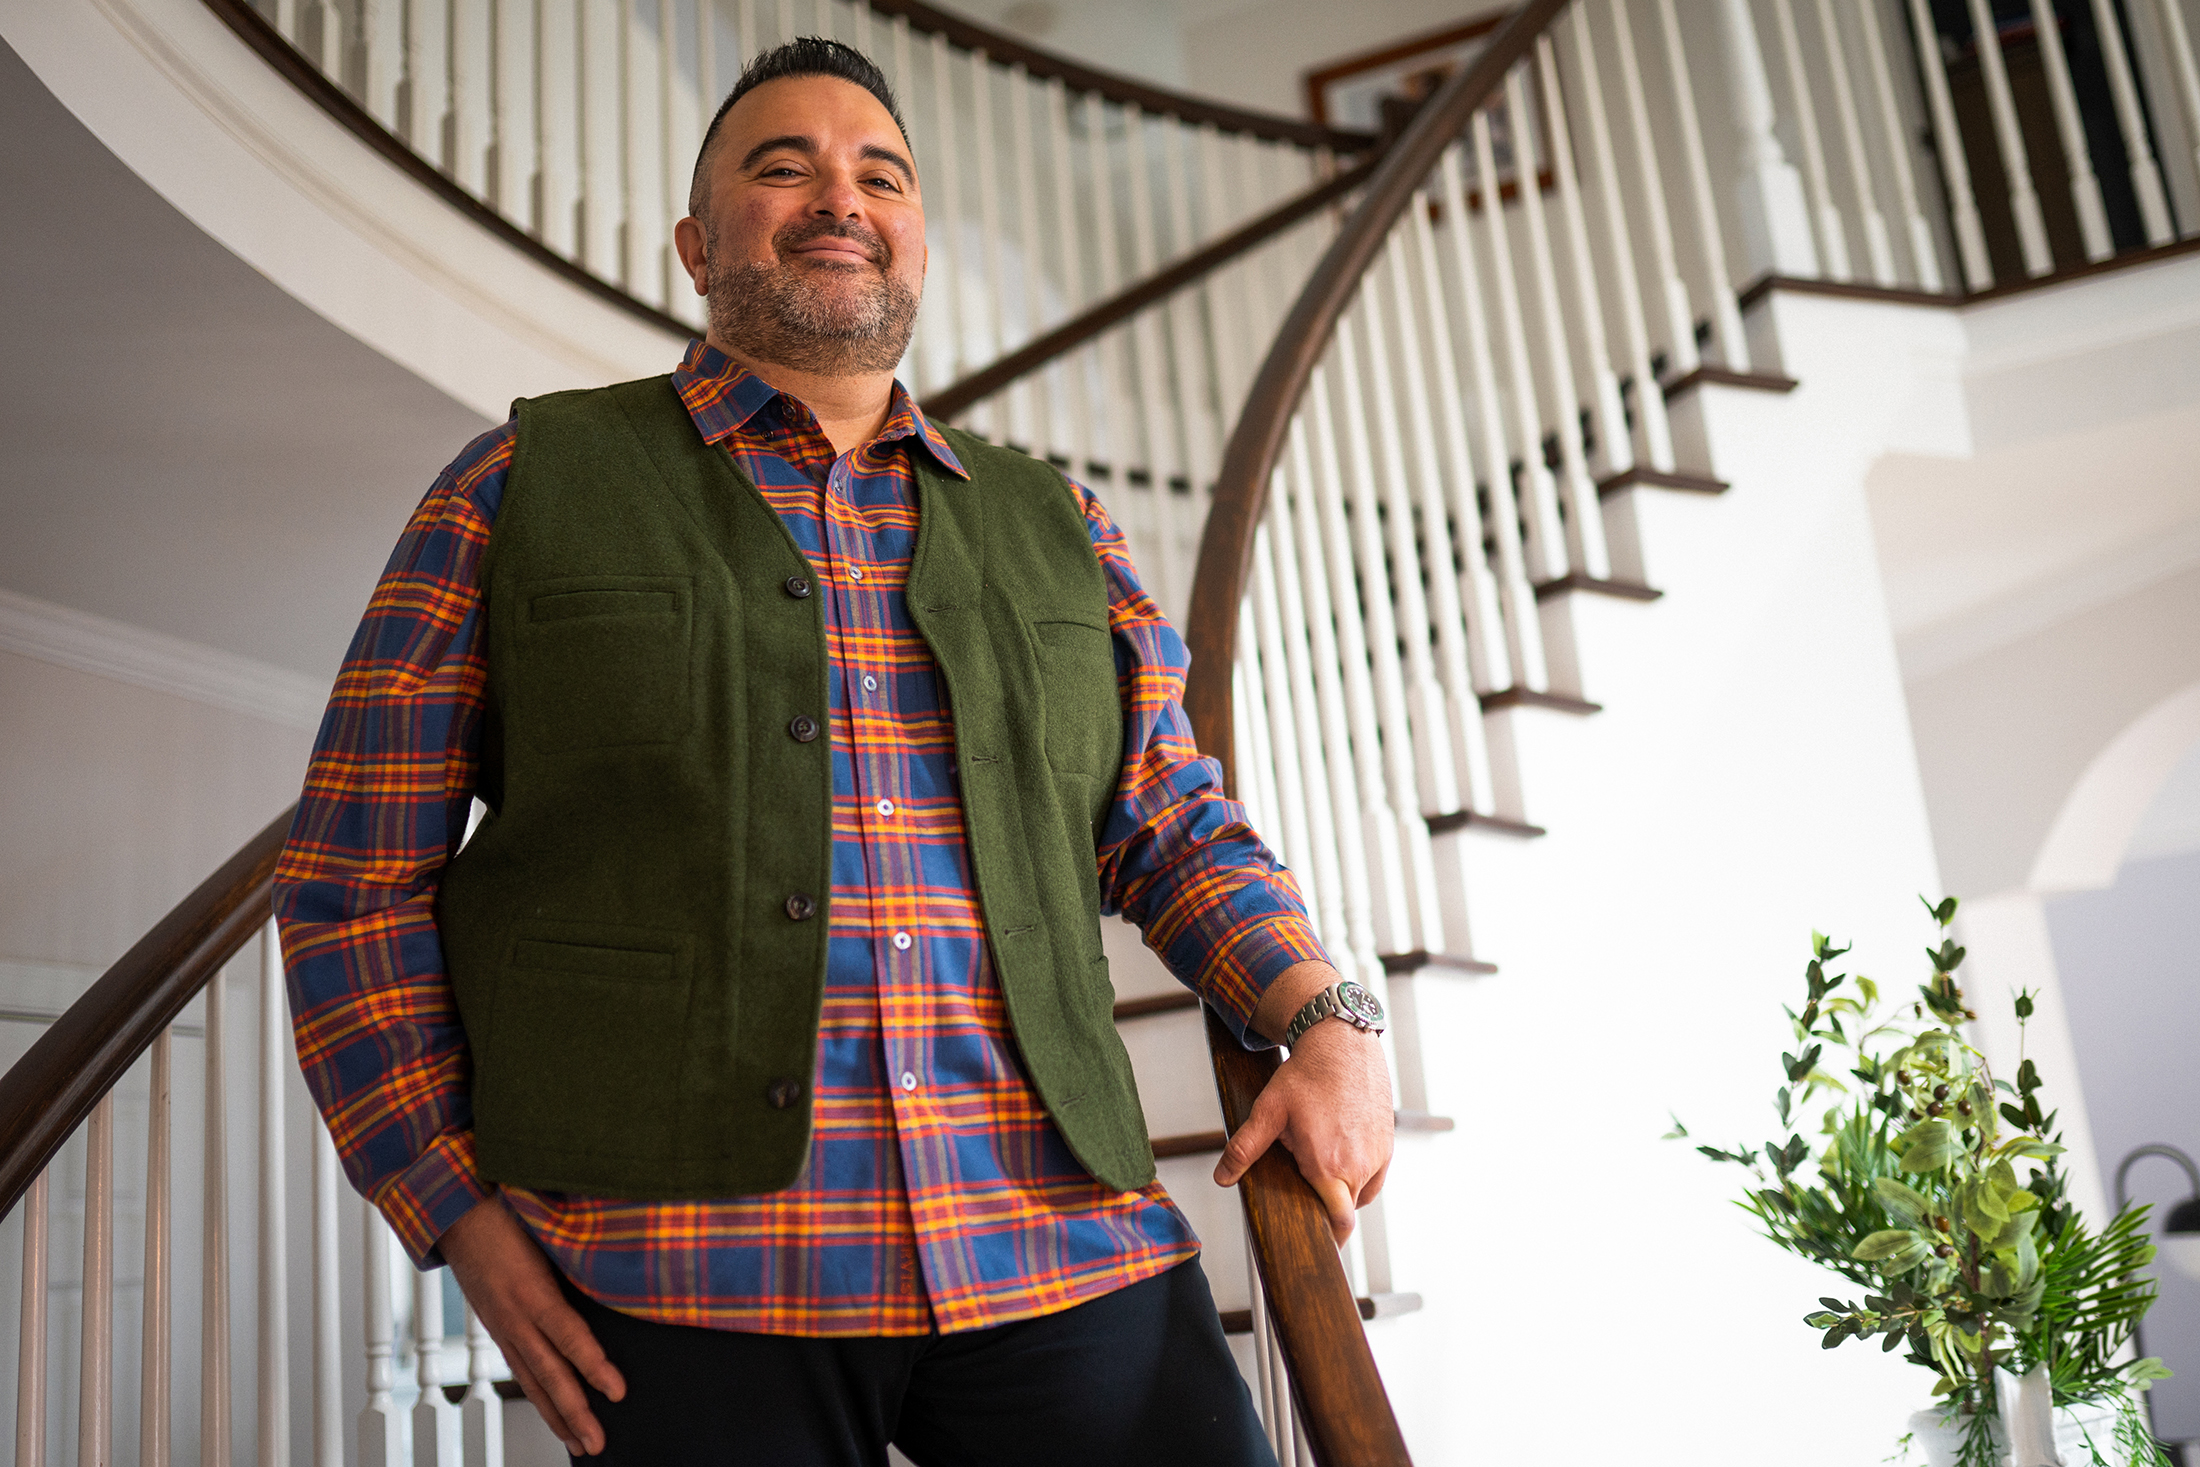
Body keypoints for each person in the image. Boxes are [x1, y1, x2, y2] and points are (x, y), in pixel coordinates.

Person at [275, 37, 1393, 1467]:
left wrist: (1322, 1014)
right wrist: (451, 1205)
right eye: (781, 165)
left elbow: (1167, 826)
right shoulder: (519, 485)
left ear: (915, 241)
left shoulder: (1064, 526)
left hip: (1062, 1247)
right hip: (674, 1275)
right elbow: (350, 885)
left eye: (881, 173)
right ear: (695, 241)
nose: (838, 196)